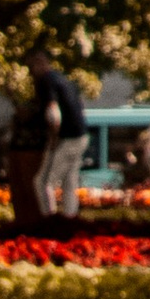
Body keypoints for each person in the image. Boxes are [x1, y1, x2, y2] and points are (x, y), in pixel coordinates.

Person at [30, 57, 88, 225]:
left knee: (43, 182)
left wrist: (53, 138)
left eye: (32, 67)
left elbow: (53, 113)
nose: (31, 72)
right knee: (69, 181)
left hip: (66, 138)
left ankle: (49, 221)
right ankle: (70, 219)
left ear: (40, 64)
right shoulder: (63, 79)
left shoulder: (47, 80)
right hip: (80, 136)